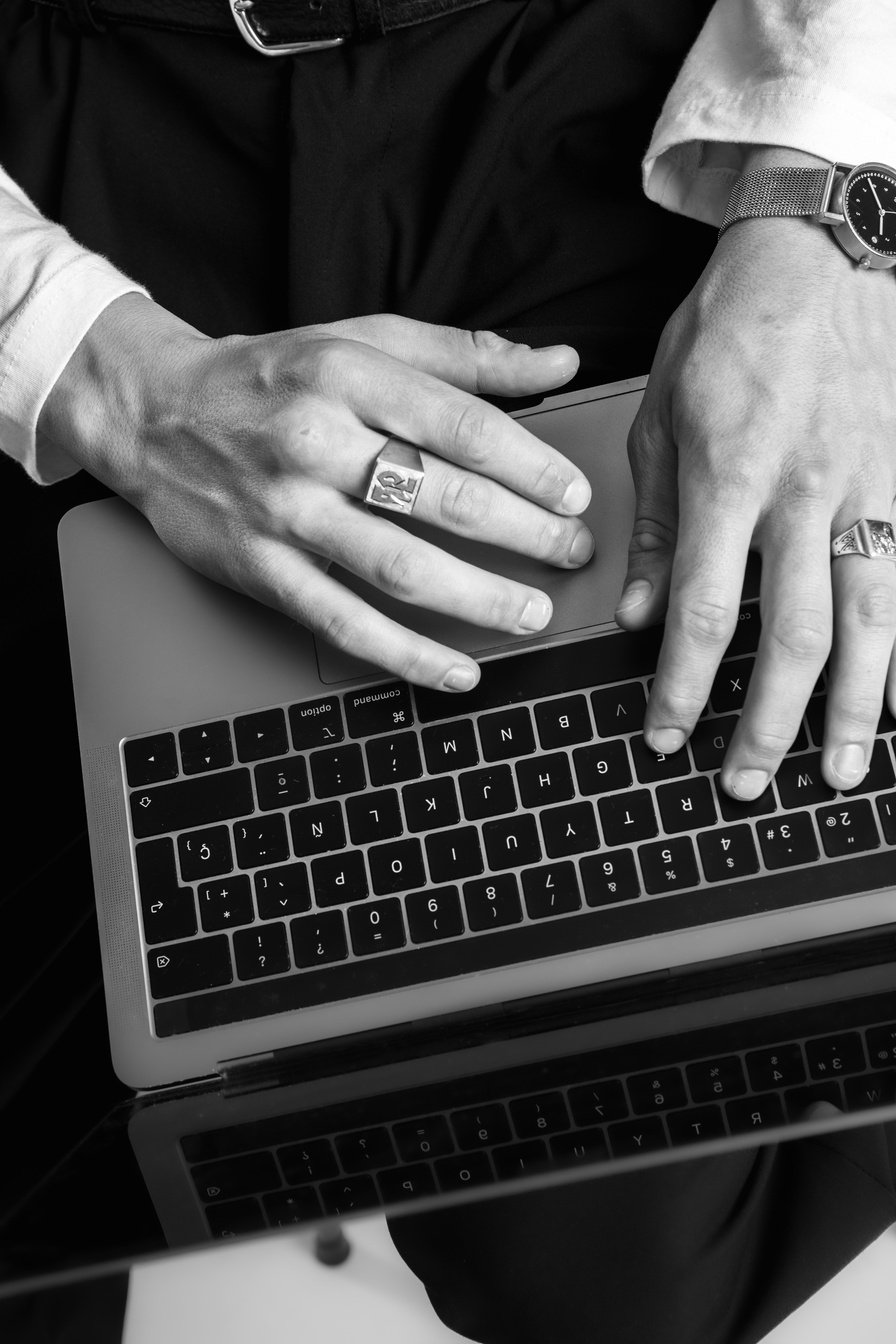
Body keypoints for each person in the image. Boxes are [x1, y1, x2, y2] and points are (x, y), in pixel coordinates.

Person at [0, 0, 894, 1340]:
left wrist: (834, 218)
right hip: (70, 149)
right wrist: (89, 366)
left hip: (605, 92)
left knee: (613, 1276)